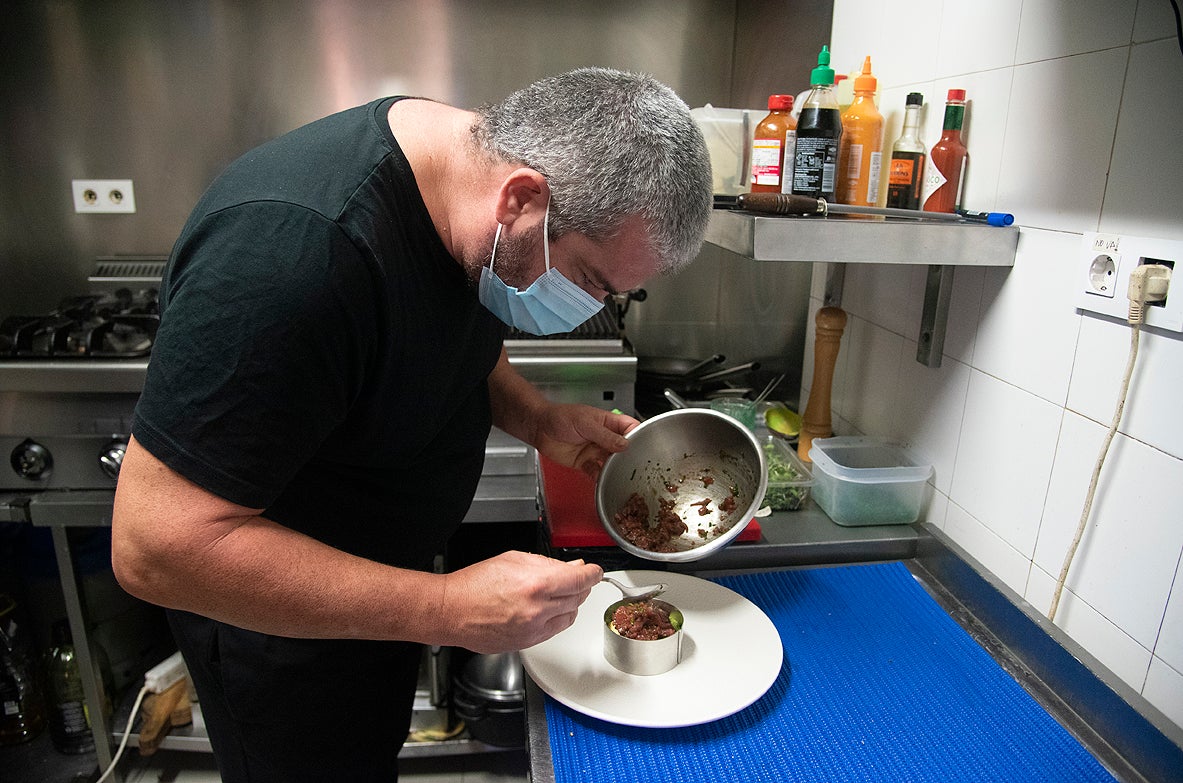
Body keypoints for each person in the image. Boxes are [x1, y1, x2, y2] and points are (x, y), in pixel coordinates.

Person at [111, 67, 712, 782]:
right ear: (523, 197)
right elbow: (155, 547)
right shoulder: (288, 263)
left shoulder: (467, 188)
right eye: (591, 279)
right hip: (283, 641)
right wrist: (444, 606)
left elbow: (452, 334)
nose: (588, 306)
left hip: (380, 598)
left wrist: (537, 417)